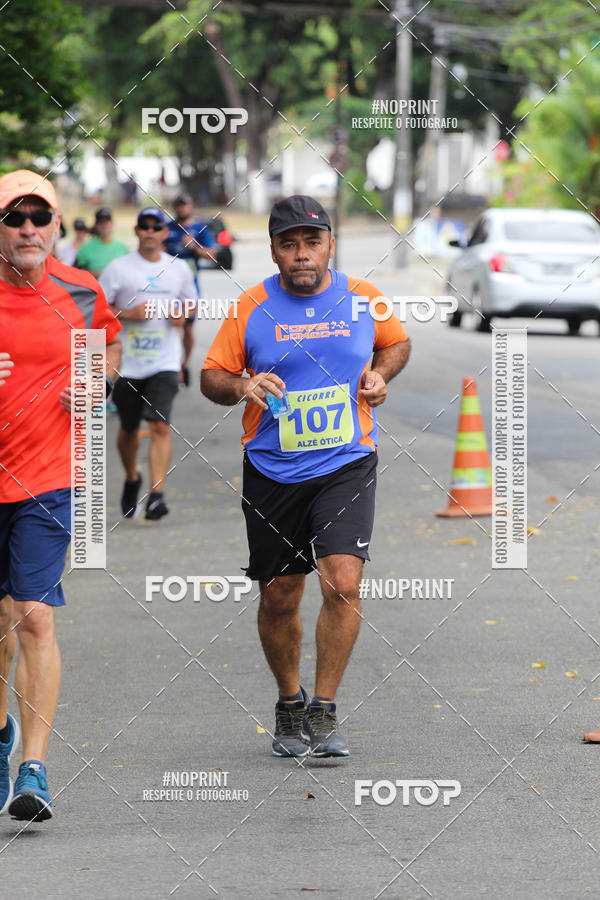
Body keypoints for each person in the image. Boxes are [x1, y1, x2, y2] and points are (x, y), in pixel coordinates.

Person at [201, 195, 411, 758]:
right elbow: (211, 376)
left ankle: (325, 708)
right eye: (289, 244)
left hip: (347, 459)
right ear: (272, 250)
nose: (301, 255)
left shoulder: (364, 300)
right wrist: (242, 387)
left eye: (311, 242)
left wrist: (379, 374)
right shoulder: (250, 306)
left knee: (342, 579)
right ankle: (289, 703)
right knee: (279, 596)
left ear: (330, 246)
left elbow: (396, 344)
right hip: (272, 467)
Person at [0, 169, 121, 820]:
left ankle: (34, 768)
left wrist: (96, 381)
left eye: (38, 217)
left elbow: (110, 346)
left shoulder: (81, 291)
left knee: (34, 614)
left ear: (56, 227)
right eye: (13, 218)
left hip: (47, 476)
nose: (27, 229)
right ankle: (0, 737)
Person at [100, 207, 196, 521]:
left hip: (165, 362)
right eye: (145, 226)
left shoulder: (179, 268)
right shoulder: (118, 269)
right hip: (127, 364)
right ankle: (131, 478)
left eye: (157, 227)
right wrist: (128, 314)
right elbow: (97, 311)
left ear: (165, 233)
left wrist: (181, 315)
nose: (151, 232)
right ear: (137, 231)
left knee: (159, 425)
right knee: (128, 430)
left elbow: (190, 303)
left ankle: (156, 495)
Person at [164, 193, 215, 386]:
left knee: (187, 326)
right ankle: (173, 365)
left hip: (190, 286)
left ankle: (185, 362)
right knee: (173, 324)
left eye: (185, 205)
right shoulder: (167, 228)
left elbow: (211, 255)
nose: (182, 208)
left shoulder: (199, 228)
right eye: (178, 205)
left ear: (191, 206)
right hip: (169, 285)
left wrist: (194, 247)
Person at [75, 207, 128, 277]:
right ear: (96, 225)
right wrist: (95, 273)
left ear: (112, 224)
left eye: (106, 222)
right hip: (94, 286)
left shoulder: (122, 248)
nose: (104, 226)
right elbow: (76, 273)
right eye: (101, 223)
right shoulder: (85, 248)